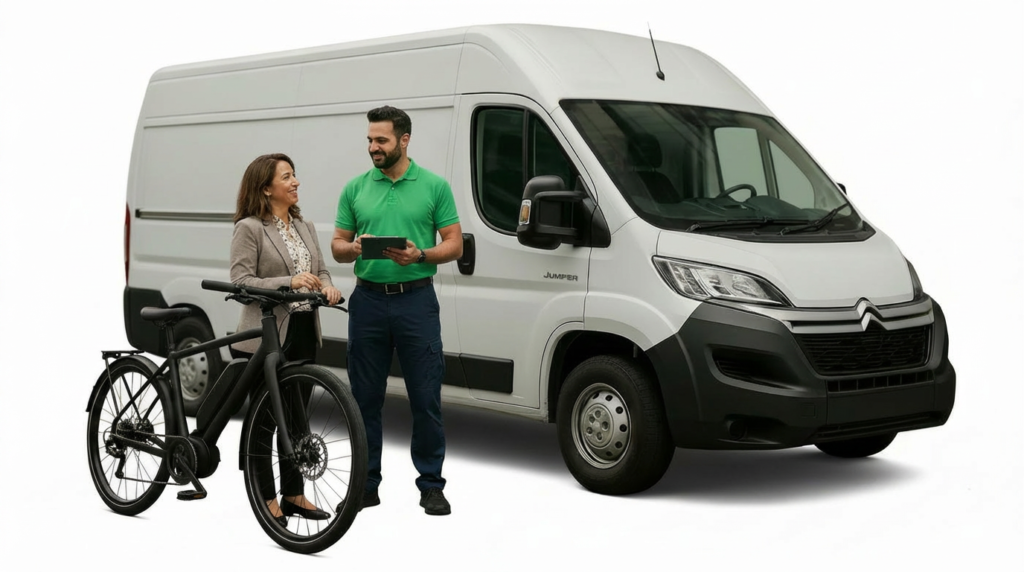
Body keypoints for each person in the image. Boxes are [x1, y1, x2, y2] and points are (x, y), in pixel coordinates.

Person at [332, 106, 462, 516]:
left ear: (404, 140)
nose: (373, 147)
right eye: (370, 140)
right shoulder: (355, 188)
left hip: (416, 301)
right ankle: (365, 485)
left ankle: (431, 486)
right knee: (364, 399)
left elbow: (455, 244)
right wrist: (352, 248)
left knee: (425, 399)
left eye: (381, 140)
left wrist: (419, 254)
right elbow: (337, 243)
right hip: (367, 301)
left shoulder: (434, 186)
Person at [229, 153, 343, 526]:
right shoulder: (250, 228)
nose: (296, 182)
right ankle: (267, 499)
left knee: (296, 422)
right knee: (264, 424)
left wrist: (327, 288)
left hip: (303, 331)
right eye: (287, 177)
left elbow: (321, 269)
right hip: (267, 336)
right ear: (266, 188)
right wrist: (288, 282)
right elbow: (242, 283)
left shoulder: (304, 225)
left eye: (295, 176)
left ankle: (294, 495)